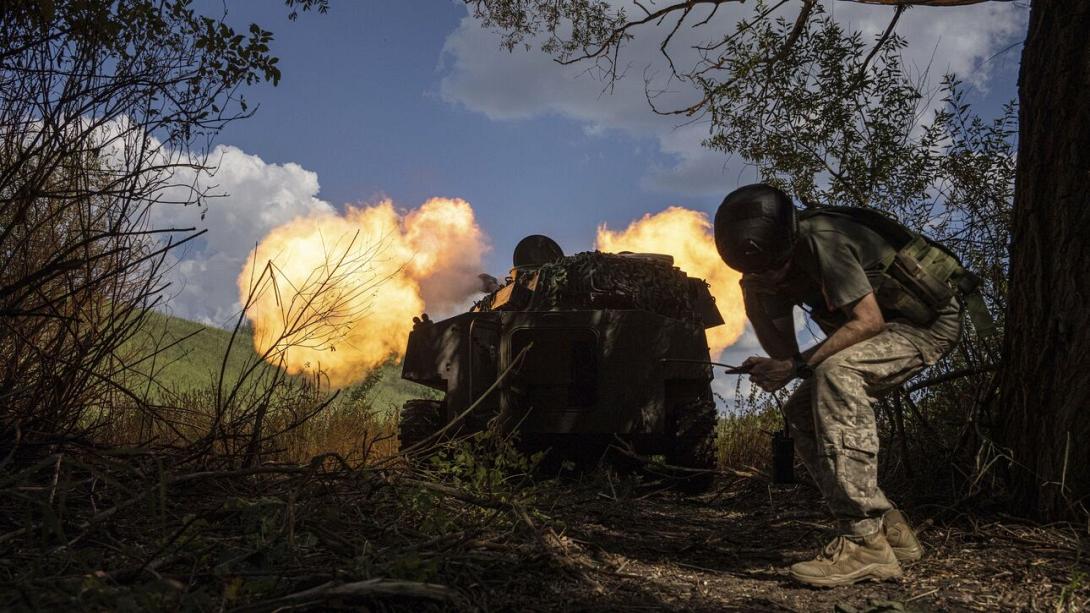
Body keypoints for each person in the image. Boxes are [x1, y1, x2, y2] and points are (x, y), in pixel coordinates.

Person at [713, 183, 965, 588]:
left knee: (837, 373)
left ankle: (863, 540)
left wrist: (794, 365)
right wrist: (760, 304)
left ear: (789, 242)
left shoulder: (823, 240)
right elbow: (784, 354)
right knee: (800, 408)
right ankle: (890, 531)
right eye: (754, 271)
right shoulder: (761, 275)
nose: (766, 275)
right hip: (881, 329)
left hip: (924, 325)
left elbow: (868, 323)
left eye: (771, 267)